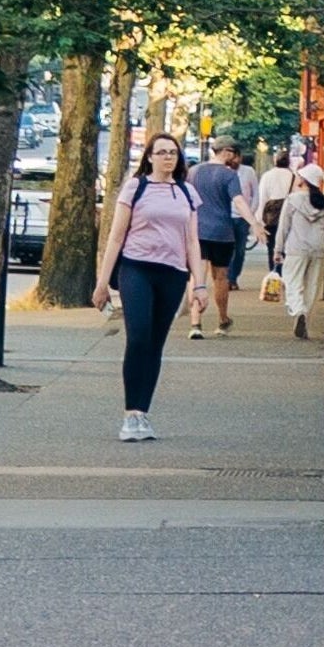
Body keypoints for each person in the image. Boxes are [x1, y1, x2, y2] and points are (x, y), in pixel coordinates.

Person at [93, 133, 205, 443]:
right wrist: (102, 283)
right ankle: (129, 414)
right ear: (150, 157)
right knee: (139, 336)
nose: (168, 158)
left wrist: (200, 284)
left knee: (155, 344)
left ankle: (142, 412)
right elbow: (116, 237)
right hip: (136, 268)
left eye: (173, 153)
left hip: (172, 274)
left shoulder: (186, 192)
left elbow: (192, 241)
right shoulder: (136, 188)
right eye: (162, 152)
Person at [187, 136, 249, 338]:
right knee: (220, 277)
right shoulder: (229, 175)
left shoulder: (194, 171)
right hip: (222, 233)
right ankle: (222, 320)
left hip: (197, 231)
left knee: (197, 276)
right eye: (233, 153)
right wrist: (254, 223)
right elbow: (238, 202)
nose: (235, 157)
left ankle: (195, 323)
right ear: (227, 152)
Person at [271, 160, 324, 340]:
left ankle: (298, 310)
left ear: (303, 180)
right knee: (313, 287)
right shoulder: (323, 203)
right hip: (319, 248)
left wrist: (278, 250)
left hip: (296, 248)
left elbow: (283, 227)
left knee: (292, 282)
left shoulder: (293, 200)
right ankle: (305, 319)